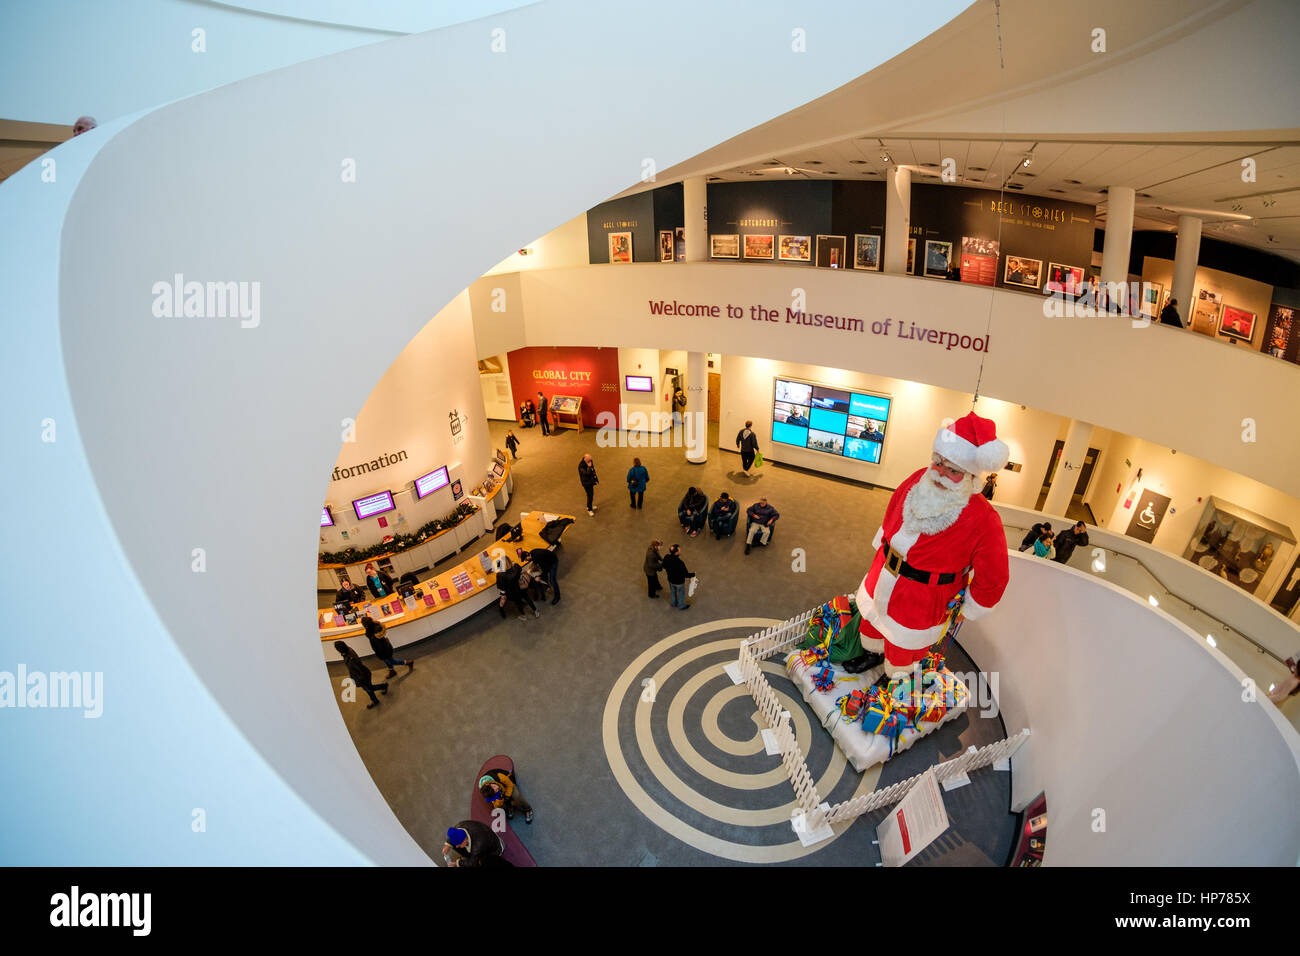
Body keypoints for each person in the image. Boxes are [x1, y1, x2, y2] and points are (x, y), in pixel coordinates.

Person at [851, 412, 1011, 680]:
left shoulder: (984, 518)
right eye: (938, 463)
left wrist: (969, 607)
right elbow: (894, 506)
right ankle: (872, 653)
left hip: (923, 596)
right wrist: (884, 540)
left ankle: (896, 677)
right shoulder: (918, 478)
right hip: (884, 572)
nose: (940, 474)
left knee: (904, 646)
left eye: (953, 470)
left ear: (971, 474)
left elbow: (994, 574)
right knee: (872, 621)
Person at [334, 641, 389, 709]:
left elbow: (359, 669)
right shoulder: (346, 653)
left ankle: (383, 686)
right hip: (359, 675)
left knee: (369, 688)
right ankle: (375, 700)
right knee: (368, 689)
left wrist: (360, 680)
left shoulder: (351, 657)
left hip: (362, 676)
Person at [442, 822, 507, 868]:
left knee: (481, 863)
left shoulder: (478, 846)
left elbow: (473, 863)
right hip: (485, 836)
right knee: (453, 845)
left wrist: (457, 863)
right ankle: (468, 857)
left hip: (494, 849)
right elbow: (454, 834)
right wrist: (448, 845)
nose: (457, 846)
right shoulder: (460, 826)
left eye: (459, 844)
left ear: (465, 839)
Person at [662, 544, 693, 610]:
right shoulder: (680, 563)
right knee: (681, 594)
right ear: (676, 553)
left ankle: (673, 603)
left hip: (670, 580)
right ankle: (681, 606)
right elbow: (686, 574)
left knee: (673, 592)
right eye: (679, 550)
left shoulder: (666, 557)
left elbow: (663, 566)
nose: (680, 550)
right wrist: (693, 574)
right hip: (679, 582)